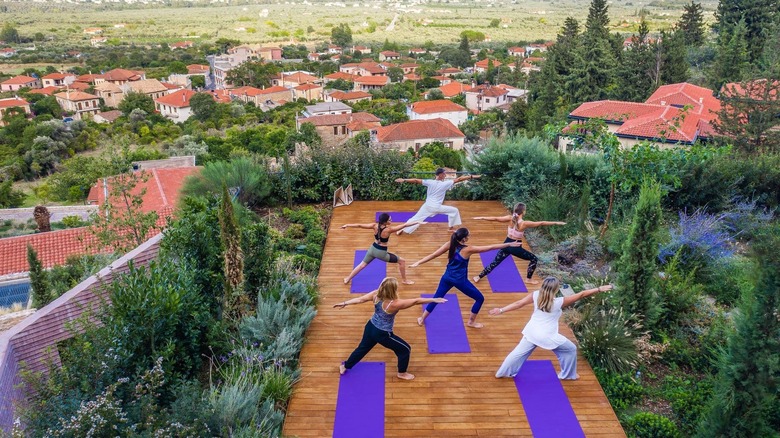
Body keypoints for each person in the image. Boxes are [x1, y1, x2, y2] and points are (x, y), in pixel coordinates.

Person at [489, 277, 613, 379]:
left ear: (543, 286)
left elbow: (518, 303)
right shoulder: (559, 302)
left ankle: (502, 373)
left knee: (517, 354)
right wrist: (599, 289)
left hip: (531, 331)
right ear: (556, 289)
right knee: (570, 349)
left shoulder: (535, 295)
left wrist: (500, 310)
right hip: (547, 336)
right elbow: (581, 294)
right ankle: (568, 375)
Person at [335, 277, 447, 380]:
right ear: (393, 290)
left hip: (370, 326)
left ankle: (345, 366)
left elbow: (360, 299)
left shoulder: (375, 295)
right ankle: (401, 373)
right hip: (382, 333)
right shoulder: (395, 304)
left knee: (362, 349)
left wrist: (345, 303)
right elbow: (416, 301)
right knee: (405, 349)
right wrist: (434, 300)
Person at [410, 228, 521, 328]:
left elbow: (433, 255)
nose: (469, 237)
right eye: (468, 235)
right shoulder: (468, 249)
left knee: (436, 298)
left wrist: (418, 262)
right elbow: (490, 247)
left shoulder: (450, 244)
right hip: (460, 281)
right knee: (480, 298)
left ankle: (422, 319)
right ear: (464, 239)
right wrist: (509, 244)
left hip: (446, 277)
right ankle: (471, 322)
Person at [473, 202, 565, 286]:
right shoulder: (524, 223)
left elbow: (496, 219)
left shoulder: (510, 218)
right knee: (534, 259)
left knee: (495, 262)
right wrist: (556, 222)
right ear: (523, 212)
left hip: (506, 244)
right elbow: (541, 223)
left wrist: (482, 217)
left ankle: (478, 277)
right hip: (516, 247)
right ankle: (528, 279)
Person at [341, 213, 425, 285]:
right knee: (402, 261)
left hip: (372, 249)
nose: (391, 221)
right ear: (385, 222)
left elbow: (360, 225)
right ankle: (404, 280)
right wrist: (417, 222)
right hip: (381, 253)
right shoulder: (389, 230)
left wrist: (347, 225)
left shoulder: (374, 226)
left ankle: (347, 278)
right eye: (390, 220)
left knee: (362, 265)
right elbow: (405, 225)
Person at [394, 168, 481, 234]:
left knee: (416, 218)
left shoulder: (430, 182)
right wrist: (472, 176)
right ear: (439, 175)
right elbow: (459, 179)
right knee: (454, 210)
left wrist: (404, 180)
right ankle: (450, 229)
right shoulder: (445, 184)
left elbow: (416, 180)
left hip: (427, 206)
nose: (445, 175)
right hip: (436, 207)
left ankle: (401, 229)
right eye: (444, 174)